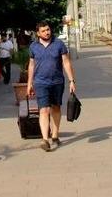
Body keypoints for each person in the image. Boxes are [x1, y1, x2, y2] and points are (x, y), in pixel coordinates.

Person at [27, 21, 76, 152]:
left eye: (48, 30)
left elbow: (66, 62)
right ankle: (45, 139)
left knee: (56, 108)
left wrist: (72, 81)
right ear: (38, 33)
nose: (46, 33)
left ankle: (55, 135)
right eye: (43, 31)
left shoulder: (58, 44)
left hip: (57, 82)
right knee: (44, 110)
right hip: (40, 83)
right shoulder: (33, 46)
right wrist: (29, 83)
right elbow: (31, 65)